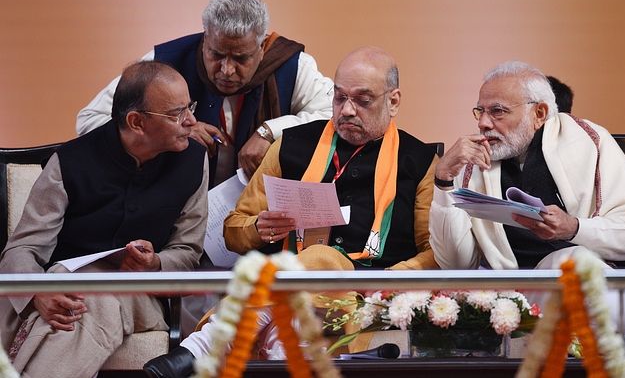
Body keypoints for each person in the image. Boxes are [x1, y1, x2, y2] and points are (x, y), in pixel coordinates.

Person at [143, 46, 440, 378]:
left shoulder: (420, 162)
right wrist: (260, 228)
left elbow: (434, 252)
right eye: (339, 98)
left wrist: (385, 281)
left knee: (324, 258)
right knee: (288, 321)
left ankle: (204, 345)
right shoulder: (291, 146)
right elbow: (233, 229)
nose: (347, 110)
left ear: (393, 101)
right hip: (291, 298)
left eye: (363, 100)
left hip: (365, 296)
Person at [0, 60, 209, 378]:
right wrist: (38, 292)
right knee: (82, 295)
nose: (192, 121)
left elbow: (188, 253)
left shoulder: (195, 162)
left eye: (189, 107)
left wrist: (154, 264)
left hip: (141, 297)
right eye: (176, 113)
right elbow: (21, 249)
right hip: (65, 287)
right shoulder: (69, 162)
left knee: (90, 297)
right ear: (137, 122)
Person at [429, 60, 625, 354]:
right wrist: (444, 180)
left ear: (539, 113)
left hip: (595, 277)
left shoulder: (590, 141)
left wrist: (574, 228)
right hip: (516, 290)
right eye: (480, 111)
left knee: (576, 262)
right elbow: (456, 263)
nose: (483, 123)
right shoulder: (473, 162)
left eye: (497, 111)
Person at [76, 0, 333, 187]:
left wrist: (271, 132)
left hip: (262, 215)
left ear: (263, 46)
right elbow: (89, 120)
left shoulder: (292, 65)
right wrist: (169, 131)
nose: (226, 70)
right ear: (205, 38)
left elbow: (334, 116)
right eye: (217, 54)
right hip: (171, 208)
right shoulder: (163, 62)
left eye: (241, 58)